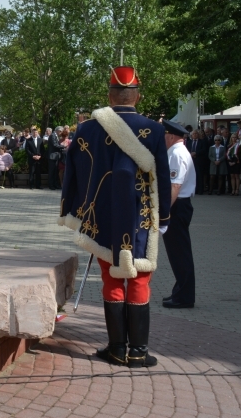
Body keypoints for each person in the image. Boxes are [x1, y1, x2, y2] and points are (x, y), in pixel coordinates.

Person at [59, 66, 171, 368]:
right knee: (139, 278)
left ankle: (116, 348)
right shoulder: (155, 130)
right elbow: (160, 175)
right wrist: (164, 218)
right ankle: (139, 351)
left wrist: (75, 210)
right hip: (141, 216)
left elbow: (74, 173)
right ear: (138, 96)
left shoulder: (87, 130)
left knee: (111, 278)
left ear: (109, 95)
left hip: (102, 216)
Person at [161, 120, 197, 309]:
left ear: (171, 136)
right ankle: (181, 292)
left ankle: (184, 296)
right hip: (179, 205)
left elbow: (175, 185)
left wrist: (164, 211)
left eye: (165, 135)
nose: (163, 139)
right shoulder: (177, 152)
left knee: (179, 253)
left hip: (177, 206)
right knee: (178, 252)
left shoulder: (176, 153)